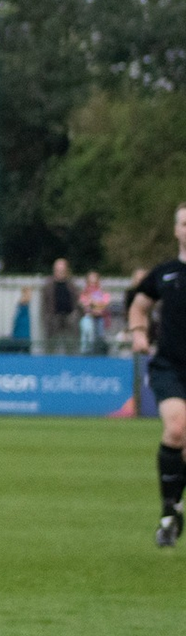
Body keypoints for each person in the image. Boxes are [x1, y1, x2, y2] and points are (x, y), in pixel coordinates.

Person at [128, 204, 186, 548]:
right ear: (176, 230)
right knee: (176, 427)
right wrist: (138, 331)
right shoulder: (164, 273)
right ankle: (168, 510)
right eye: (184, 223)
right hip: (170, 366)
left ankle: (174, 510)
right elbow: (139, 303)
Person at [42, 258, 80, 355]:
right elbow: (44, 304)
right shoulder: (48, 285)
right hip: (54, 318)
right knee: (51, 346)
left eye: (62, 270)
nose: (59, 272)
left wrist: (75, 314)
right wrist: (47, 318)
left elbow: (77, 301)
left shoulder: (72, 285)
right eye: (57, 270)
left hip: (69, 318)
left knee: (70, 345)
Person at [80, 270, 112, 356]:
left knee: (100, 336)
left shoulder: (102, 293)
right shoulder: (84, 293)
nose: (93, 284)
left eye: (95, 282)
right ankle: (87, 352)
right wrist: (96, 304)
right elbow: (85, 304)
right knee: (88, 333)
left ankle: (100, 352)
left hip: (101, 318)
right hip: (89, 317)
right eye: (91, 282)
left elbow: (105, 304)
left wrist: (94, 303)